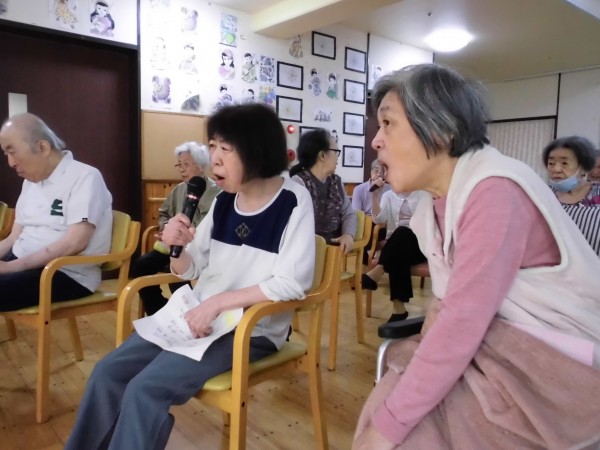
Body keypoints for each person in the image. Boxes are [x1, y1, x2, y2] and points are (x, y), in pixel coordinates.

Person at [353, 64, 600, 449]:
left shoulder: (494, 191)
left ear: (441, 129)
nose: (376, 141)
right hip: (496, 347)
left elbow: (461, 321)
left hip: (557, 364)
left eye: (388, 124)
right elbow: (452, 307)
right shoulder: (432, 203)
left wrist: (385, 430)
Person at [65, 103, 316, 450]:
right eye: (212, 146)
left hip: (251, 329)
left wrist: (216, 303)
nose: (214, 159)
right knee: (107, 372)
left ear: (257, 151)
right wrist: (178, 248)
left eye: (225, 149)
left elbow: (292, 284)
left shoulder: (293, 201)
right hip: (198, 317)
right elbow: (192, 267)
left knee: (146, 388)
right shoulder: (224, 202)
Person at [0, 113, 112, 311]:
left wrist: (9, 268)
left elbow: (75, 243)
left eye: (12, 152)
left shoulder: (85, 176)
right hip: (21, 262)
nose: (11, 162)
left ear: (43, 147)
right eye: (5, 154)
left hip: (65, 273)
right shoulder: (30, 182)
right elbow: (13, 238)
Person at [129, 141, 220, 315]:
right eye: (179, 165)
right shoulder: (179, 189)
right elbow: (163, 213)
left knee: (176, 277)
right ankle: (160, 312)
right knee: (141, 266)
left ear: (202, 166)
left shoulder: (217, 192)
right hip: (173, 247)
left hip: (201, 249)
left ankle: (191, 314)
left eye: (186, 164)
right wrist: (166, 228)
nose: (182, 169)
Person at [361, 189, 425, 323]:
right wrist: (375, 196)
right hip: (396, 245)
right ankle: (399, 310)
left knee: (402, 233)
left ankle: (379, 270)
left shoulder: (423, 194)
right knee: (398, 248)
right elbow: (378, 219)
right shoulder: (388, 195)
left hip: (419, 245)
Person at [290, 128, 356, 254]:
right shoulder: (299, 183)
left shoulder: (336, 182)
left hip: (334, 250)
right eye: (336, 152)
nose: (338, 158)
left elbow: (349, 214)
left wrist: (348, 234)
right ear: (322, 156)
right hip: (306, 251)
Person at [542, 135, 600, 255]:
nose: (556, 169)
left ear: (584, 167)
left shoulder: (597, 193)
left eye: (564, 163)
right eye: (551, 163)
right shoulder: (542, 194)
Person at [352, 160, 391, 266]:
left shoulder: (390, 190)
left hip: (383, 224)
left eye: (382, 171)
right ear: (371, 172)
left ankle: (368, 263)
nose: (379, 174)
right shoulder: (359, 189)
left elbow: (389, 214)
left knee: (377, 226)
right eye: (376, 170)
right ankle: (366, 262)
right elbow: (357, 213)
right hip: (365, 223)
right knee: (363, 225)